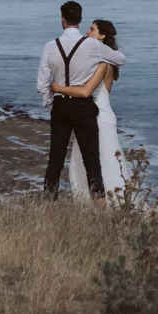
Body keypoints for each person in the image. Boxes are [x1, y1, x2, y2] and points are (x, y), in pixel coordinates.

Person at [38, 0, 126, 202]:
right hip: (83, 107)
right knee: (91, 160)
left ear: (62, 20)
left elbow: (42, 85)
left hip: (60, 105)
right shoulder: (93, 46)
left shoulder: (51, 46)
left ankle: (48, 205)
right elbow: (121, 59)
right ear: (80, 19)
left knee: (55, 161)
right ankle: (99, 205)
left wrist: (53, 105)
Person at [56, 17, 130, 205]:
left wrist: (58, 88)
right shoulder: (105, 62)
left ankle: (109, 205)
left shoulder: (104, 64)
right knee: (99, 161)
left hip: (98, 117)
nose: (87, 32)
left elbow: (86, 91)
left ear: (102, 36)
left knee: (101, 162)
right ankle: (102, 205)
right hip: (103, 114)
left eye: (92, 29)